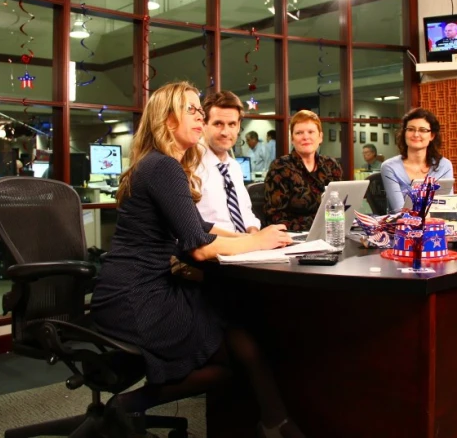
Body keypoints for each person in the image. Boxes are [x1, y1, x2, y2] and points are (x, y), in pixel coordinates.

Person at [90, 82, 303, 438]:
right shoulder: (163, 167)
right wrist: (259, 241)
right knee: (234, 347)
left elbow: (199, 226)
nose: (200, 117)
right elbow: (200, 247)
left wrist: (261, 238)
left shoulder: (159, 164)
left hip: (139, 288)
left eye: (199, 111)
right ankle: (126, 407)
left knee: (237, 336)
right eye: (191, 109)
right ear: (167, 120)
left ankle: (275, 423)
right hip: (136, 297)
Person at [264, 110, 342, 231]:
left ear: (320, 137)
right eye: (299, 133)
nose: (306, 137)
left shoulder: (331, 165)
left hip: (332, 231)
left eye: (311, 132)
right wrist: (317, 224)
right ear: (292, 139)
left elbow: (340, 204)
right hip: (295, 237)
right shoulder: (280, 167)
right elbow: (274, 217)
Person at [195, 91, 261, 233]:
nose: (225, 132)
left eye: (232, 124)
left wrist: (254, 233)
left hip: (245, 248)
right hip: (213, 249)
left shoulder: (234, 167)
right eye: (218, 124)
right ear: (204, 124)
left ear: (238, 127)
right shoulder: (190, 165)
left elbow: (246, 214)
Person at [381, 108, 453, 212]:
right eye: (410, 129)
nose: (415, 134)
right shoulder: (390, 167)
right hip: (403, 226)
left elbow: (448, 206)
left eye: (422, 130)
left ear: (432, 135)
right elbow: (400, 211)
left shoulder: (444, 165)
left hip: (436, 225)